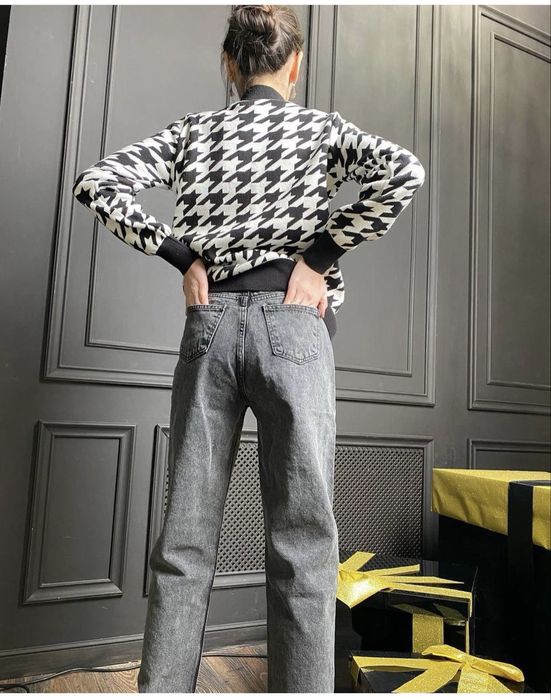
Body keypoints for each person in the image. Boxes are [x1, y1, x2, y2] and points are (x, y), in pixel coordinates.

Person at [72, 4, 426, 693]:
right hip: (294, 330)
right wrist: (317, 258)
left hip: (209, 327)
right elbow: (403, 171)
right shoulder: (321, 130)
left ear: (228, 65)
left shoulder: (193, 132)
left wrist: (182, 256)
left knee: (184, 539)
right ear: (294, 66)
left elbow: (97, 182)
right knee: (304, 542)